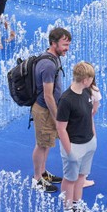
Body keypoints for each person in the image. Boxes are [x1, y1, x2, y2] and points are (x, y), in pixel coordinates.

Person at [56, 62, 97, 212]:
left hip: (88, 142)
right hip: (73, 145)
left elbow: (89, 115)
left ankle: (77, 206)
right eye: (92, 78)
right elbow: (60, 128)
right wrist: (69, 151)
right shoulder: (66, 100)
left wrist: (94, 136)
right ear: (85, 79)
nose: (93, 80)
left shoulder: (87, 92)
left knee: (81, 177)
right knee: (70, 179)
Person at [31, 27, 72, 193]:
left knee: (47, 142)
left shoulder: (53, 58)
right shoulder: (48, 65)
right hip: (45, 109)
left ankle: (43, 172)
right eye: (64, 45)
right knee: (41, 144)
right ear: (53, 43)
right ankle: (36, 179)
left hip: (49, 108)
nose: (67, 48)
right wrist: (57, 117)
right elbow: (48, 95)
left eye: (68, 45)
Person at [82, 79, 101, 189]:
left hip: (74, 122)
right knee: (89, 148)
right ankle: (82, 179)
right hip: (87, 122)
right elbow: (94, 110)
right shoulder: (94, 90)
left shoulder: (74, 89)